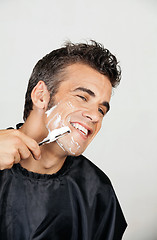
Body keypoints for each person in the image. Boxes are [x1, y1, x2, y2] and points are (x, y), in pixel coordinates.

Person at [0, 40, 127, 239]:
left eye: (101, 109)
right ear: (41, 96)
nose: (95, 116)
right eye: (82, 97)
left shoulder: (97, 191)